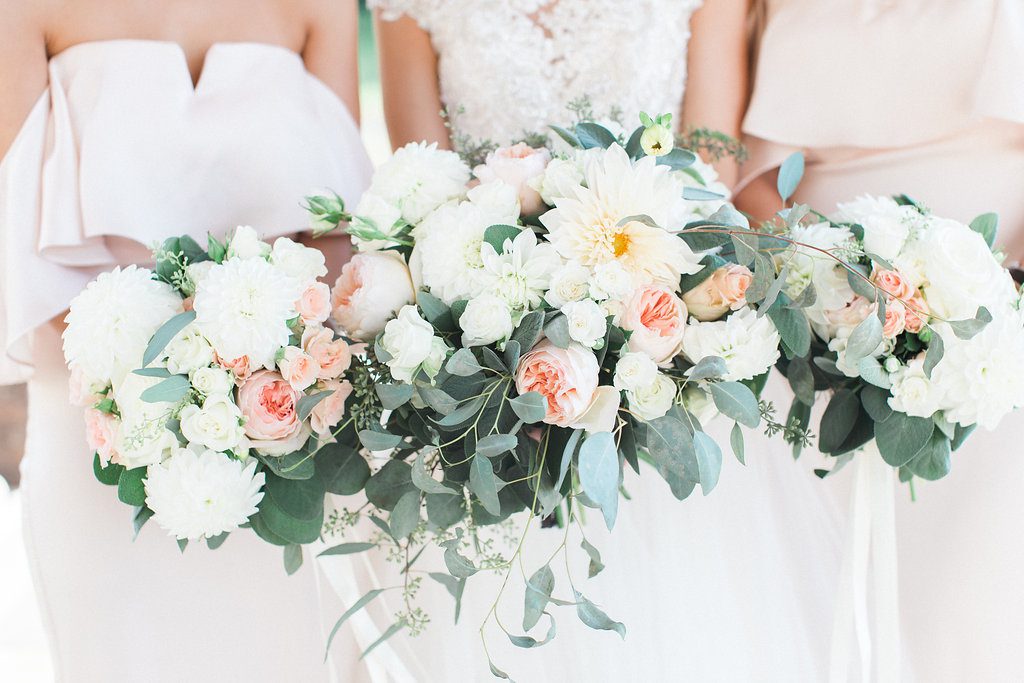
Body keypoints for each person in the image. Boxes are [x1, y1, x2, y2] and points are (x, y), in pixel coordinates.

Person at [317, 2, 843, 680]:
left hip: (656, 331)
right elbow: (427, 184)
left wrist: (635, 307)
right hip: (490, 352)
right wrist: (510, 317)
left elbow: (708, 172)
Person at [0, 1, 372, 679]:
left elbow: (338, 227)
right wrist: (158, 378)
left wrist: (261, 380)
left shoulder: (322, 6)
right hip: (98, 419)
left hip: (288, 428)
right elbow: (10, 215)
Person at [736, 1, 1024, 679]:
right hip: (819, 323)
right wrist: (830, 291)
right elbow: (739, 174)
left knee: (966, 589)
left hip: (998, 318)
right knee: (826, 584)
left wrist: (996, 297)